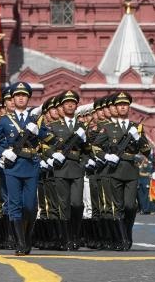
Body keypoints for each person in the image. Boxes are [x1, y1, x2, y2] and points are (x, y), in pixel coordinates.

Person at [0, 81, 49, 255]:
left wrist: (38, 131)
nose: (21, 98)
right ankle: (20, 243)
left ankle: (27, 237)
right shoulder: (5, 120)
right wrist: (3, 152)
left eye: (24, 96)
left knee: (29, 206)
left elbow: (48, 137)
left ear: (28, 98)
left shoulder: (35, 119)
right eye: (18, 96)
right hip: (13, 166)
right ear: (13, 99)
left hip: (31, 165)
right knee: (14, 204)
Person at [102, 91, 152, 250]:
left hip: (131, 171)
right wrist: (107, 156)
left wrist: (139, 138)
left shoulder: (136, 127)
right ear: (115, 108)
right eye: (119, 105)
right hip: (115, 170)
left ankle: (127, 232)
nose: (122, 107)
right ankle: (121, 238)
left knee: (130, 206)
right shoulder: (108, 127)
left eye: (125, 105)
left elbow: (146, 151)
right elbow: (95, 147)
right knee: (118, 207)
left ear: (128, 107)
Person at [45, 89, 89, 250]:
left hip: (77, 168)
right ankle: (66, 238)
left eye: (73, 103)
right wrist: (53, 155)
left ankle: (75, 234)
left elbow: (88, 149)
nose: (70, 105)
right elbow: (46, 146)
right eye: (67, 103)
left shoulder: (82, 126)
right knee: (63, 205)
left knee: (77, 204)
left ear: (76, 106)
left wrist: (84, 162)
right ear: (62, 107)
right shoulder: (54, 126)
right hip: (61, 168)